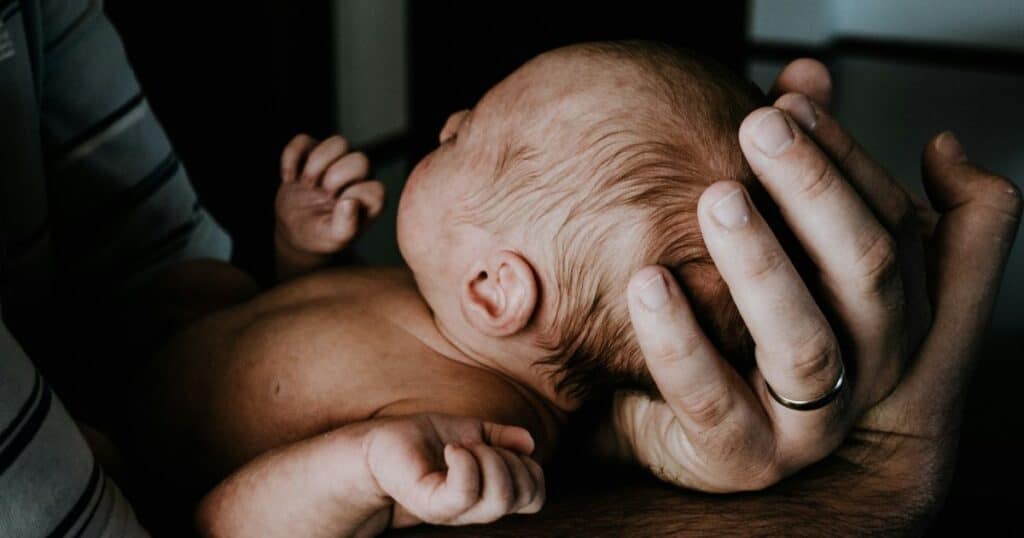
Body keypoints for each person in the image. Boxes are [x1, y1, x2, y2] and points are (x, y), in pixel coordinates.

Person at [0, 2, 1017, 536]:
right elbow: (308, 322)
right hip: (178, 339)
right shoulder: (444, 308)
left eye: (468, 131)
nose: (444, 121)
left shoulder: (481, 428)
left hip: (156, 472)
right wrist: (304, 249)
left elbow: (242, 524)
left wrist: (358, 470)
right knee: (205, 290)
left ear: (497, 286)